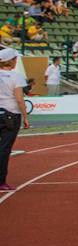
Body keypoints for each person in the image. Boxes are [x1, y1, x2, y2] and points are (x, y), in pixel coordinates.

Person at [0, 48, 28, 191]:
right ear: (10, 61)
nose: (17, 60)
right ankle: (1, 181)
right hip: (11, 114)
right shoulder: (16, 77)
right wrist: (25, 117)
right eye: (15, 58)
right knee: (4, 149)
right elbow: (19, 99)